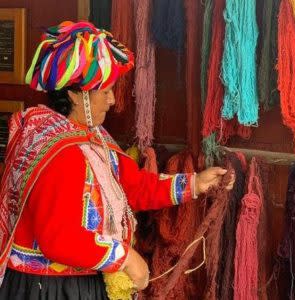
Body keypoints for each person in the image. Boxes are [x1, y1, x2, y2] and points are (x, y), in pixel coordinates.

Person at [0, 21, 234, 299]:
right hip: (48, 288)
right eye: (106, 91)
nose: (112, 100)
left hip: (76, 283)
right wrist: (124, 258)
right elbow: (59, 238)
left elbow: (133, 187)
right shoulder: (58, 150)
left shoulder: (92, 138)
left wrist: (195, 184)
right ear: (76, 94)